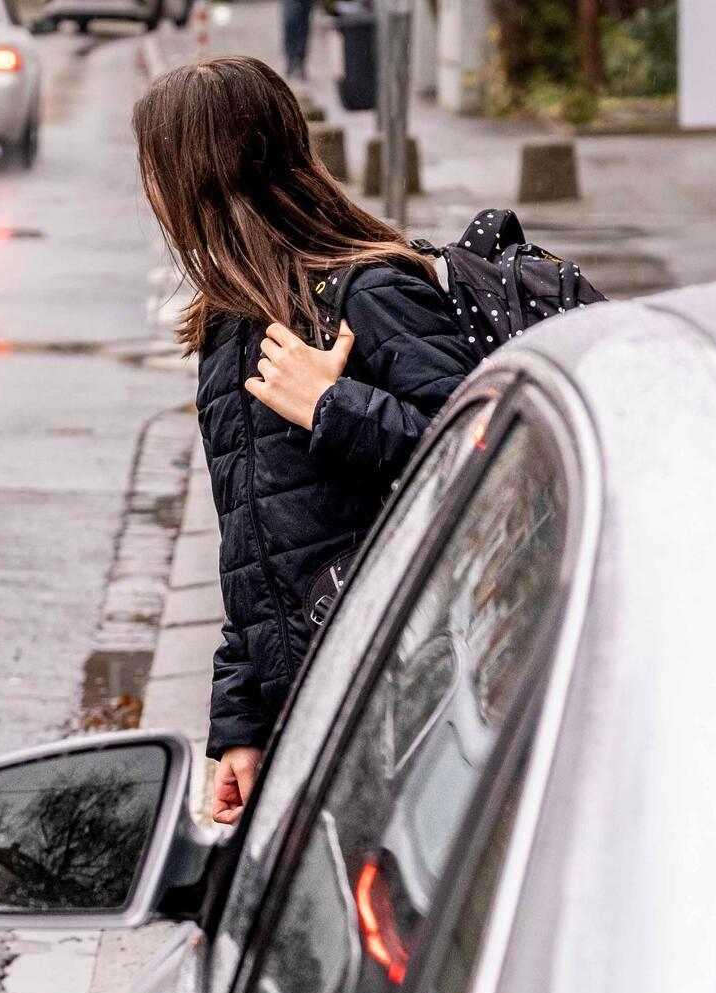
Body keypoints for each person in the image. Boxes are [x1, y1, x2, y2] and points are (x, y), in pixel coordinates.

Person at [132, 56, 478, 824]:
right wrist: (242, 726)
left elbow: (482, 458)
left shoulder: (371, 291)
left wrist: (331, 406)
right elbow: (251, 550)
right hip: (307, 712)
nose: (150, 190)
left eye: (154, 167)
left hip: (402, 704)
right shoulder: (229, 325)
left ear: (204, 171)